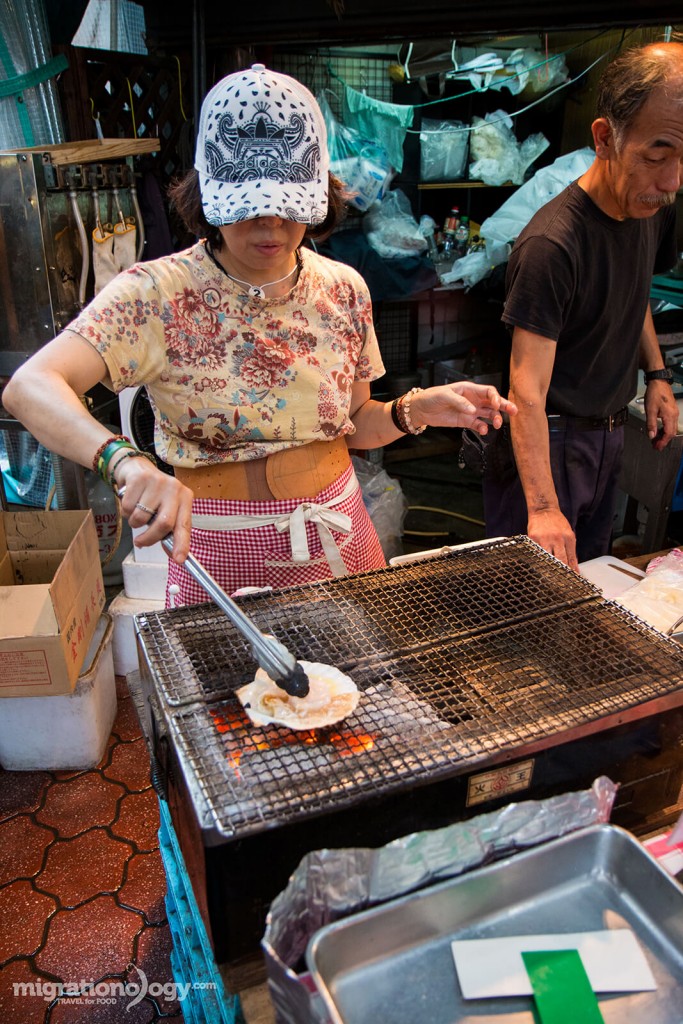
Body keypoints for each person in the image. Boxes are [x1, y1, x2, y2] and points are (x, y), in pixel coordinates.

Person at [4, 63, 515, 607]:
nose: (270, 225)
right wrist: (122, 460)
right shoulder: (156, 294)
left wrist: (412, 410)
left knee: (355, 690)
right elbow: (29, 385)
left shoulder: (343, 289)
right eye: (248, 207)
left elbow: (354, 423)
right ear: (208, 193)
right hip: (218, 559)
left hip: (339, 539)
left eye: (287, 206)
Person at [483, 41, 683, 572]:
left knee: (590, 582)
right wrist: (543, 508)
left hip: (609, 434)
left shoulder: (650, 207)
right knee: (528, 592)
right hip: (547, 441)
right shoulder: (552, 244)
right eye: (658, 156)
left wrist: (656, 372)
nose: (672, 182)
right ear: (604, 139)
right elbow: (525, 390)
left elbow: (633, 287)